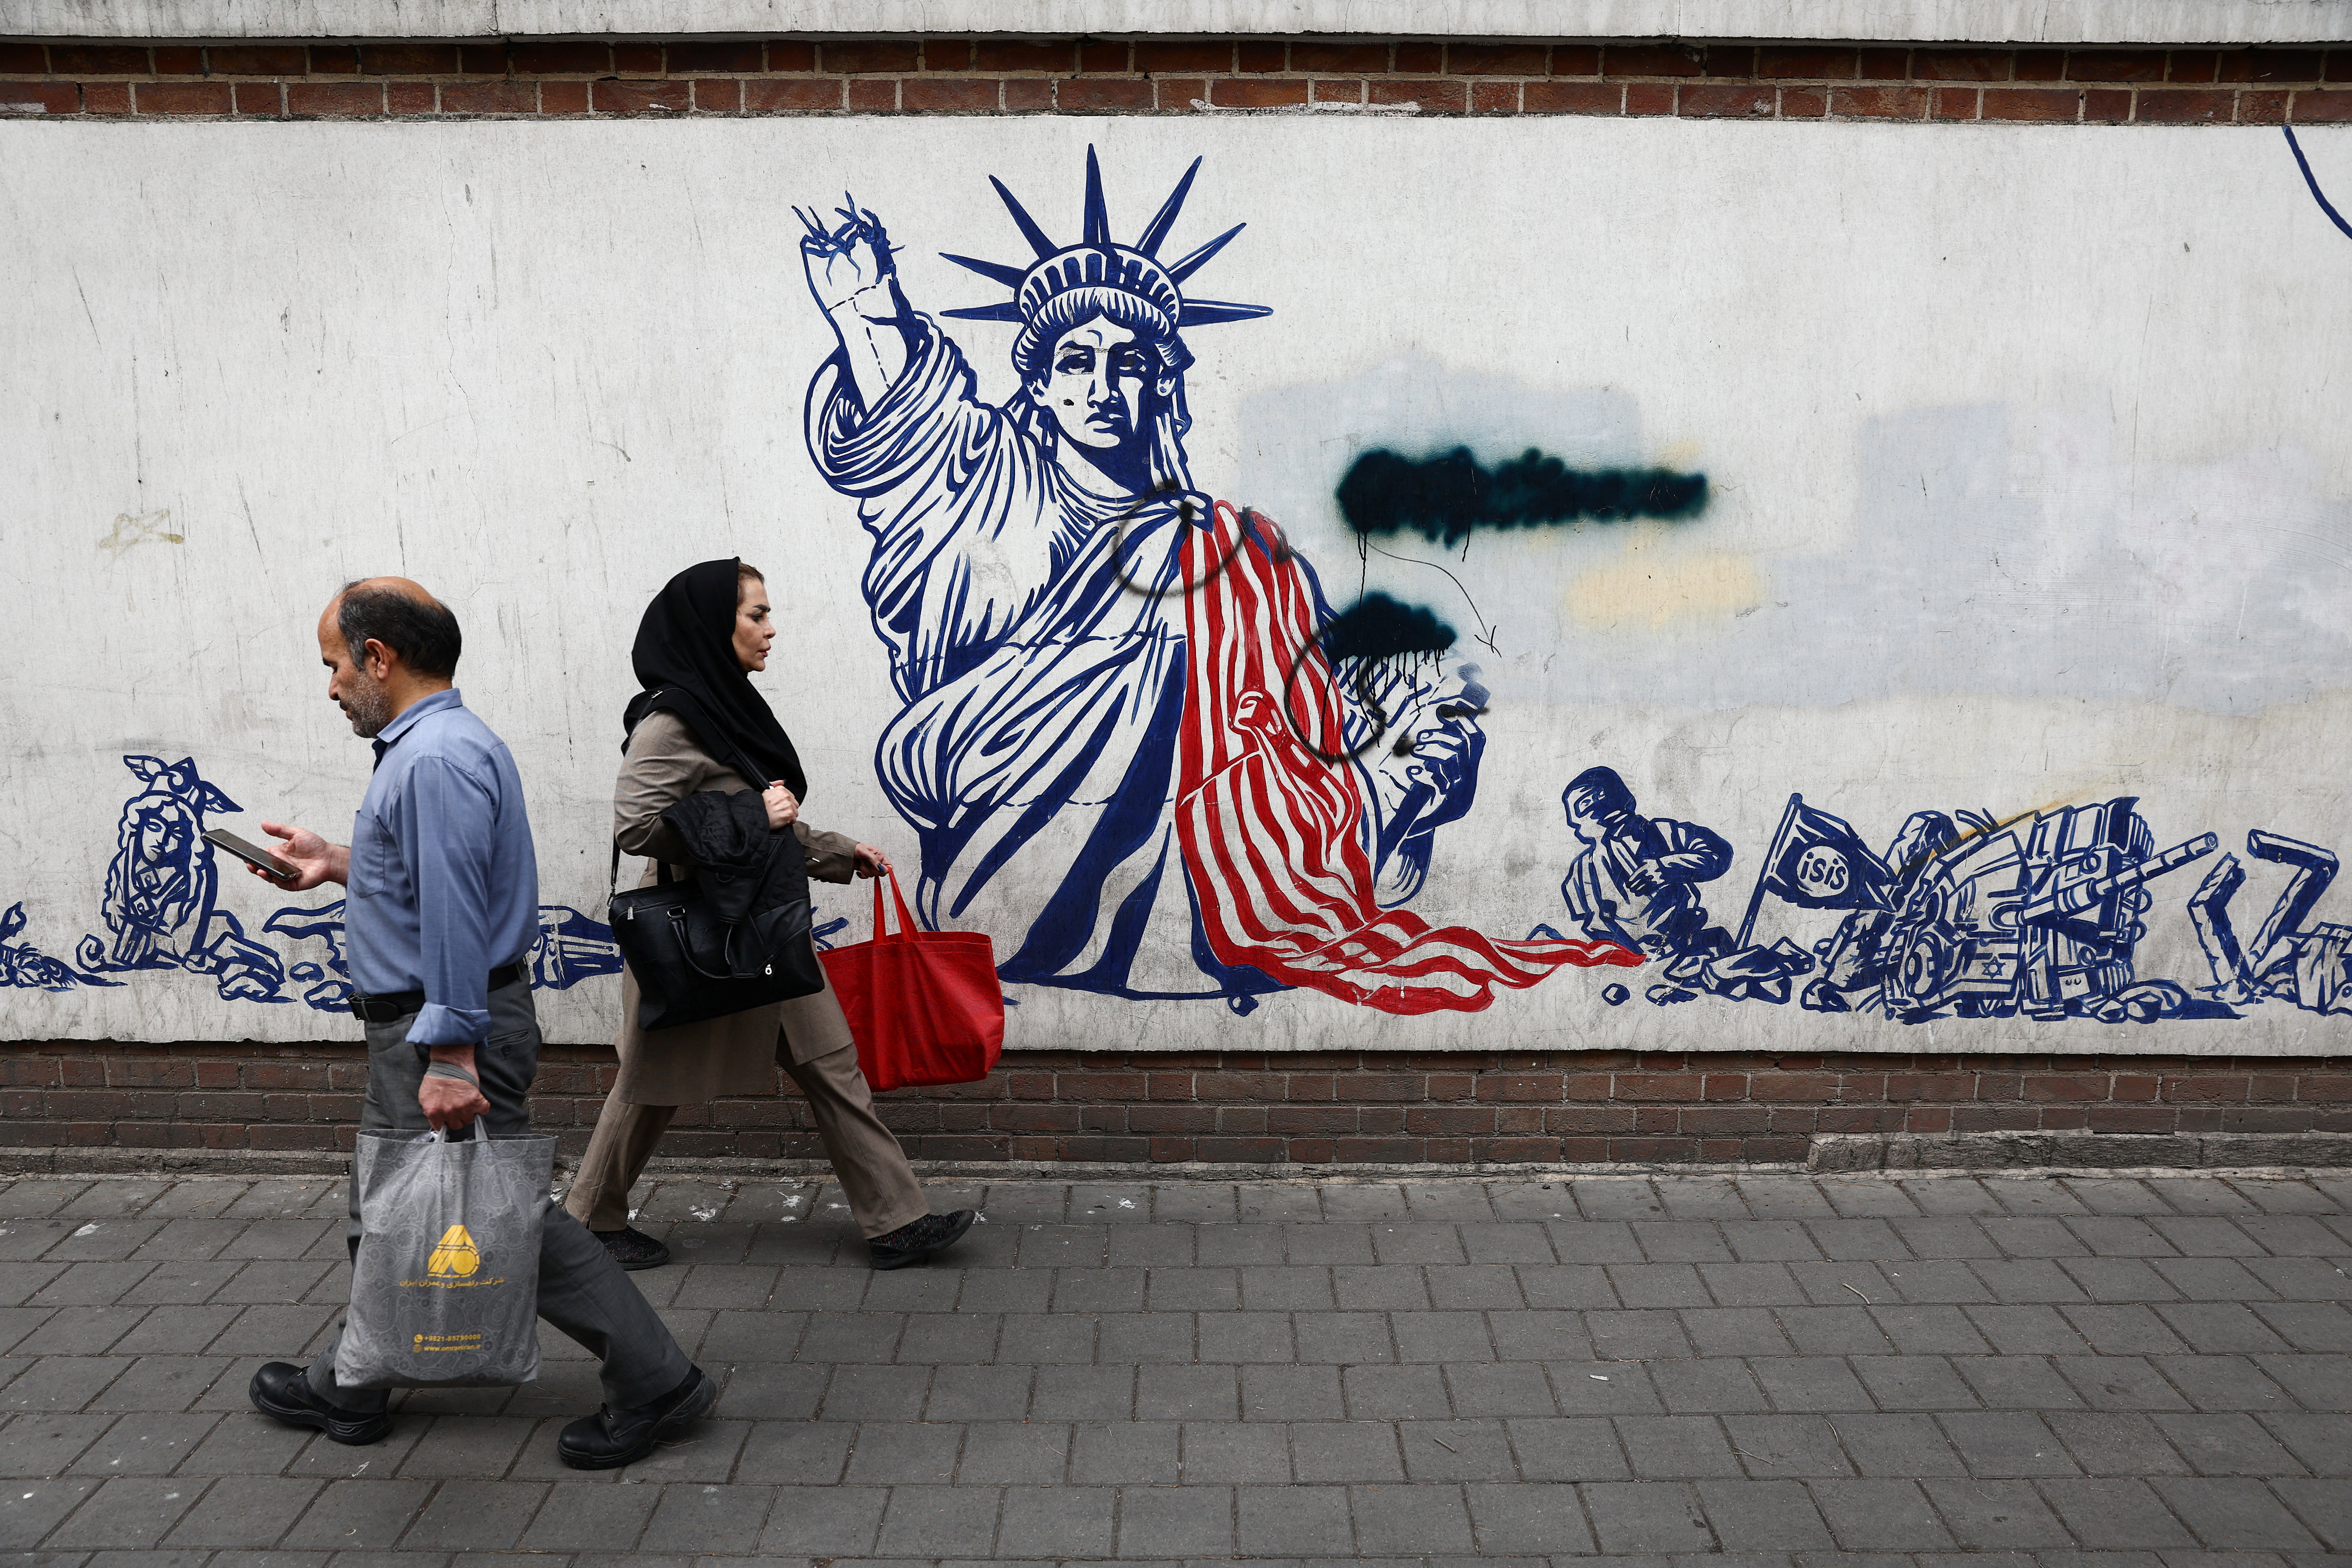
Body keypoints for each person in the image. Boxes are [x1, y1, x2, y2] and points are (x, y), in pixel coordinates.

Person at [796, 155, 1633, 1014]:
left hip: (1215, 852)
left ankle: (1285, 870)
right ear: (1040, 384)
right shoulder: (988, 482)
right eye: (1077, 362)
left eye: (1127, 363)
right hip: (993, 811)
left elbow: (1313, 692)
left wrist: (1409, 734)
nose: (1103, 386)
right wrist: (867, 315)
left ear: (1161, 383)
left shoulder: (1231, 549)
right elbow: (907, 433)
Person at [242, 577, 713, 1469]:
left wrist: (451, 1051)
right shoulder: (442, 745)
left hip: (444, 1028)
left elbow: (455, 912)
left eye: (336, 664)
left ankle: (657, 1380)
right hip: (435, 1022)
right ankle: (352, 1383)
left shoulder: (432, 760)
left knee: (497, 1217)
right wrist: (336, 863)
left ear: (380, 657)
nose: (332, 685)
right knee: (397, 1206)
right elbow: (428, 877)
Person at [564, 559, 974, 1273]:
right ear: (711, 626)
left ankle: (895, 1220)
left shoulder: (724, 708)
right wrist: (754, 812)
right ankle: (588, 1221)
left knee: (831, 1062)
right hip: (704, 934)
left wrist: (842, 854)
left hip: (767, 924)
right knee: (651, 1083)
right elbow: (636, 825)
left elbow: (770, 821)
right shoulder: (671, 719)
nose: (770, 628)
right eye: (755, 614)